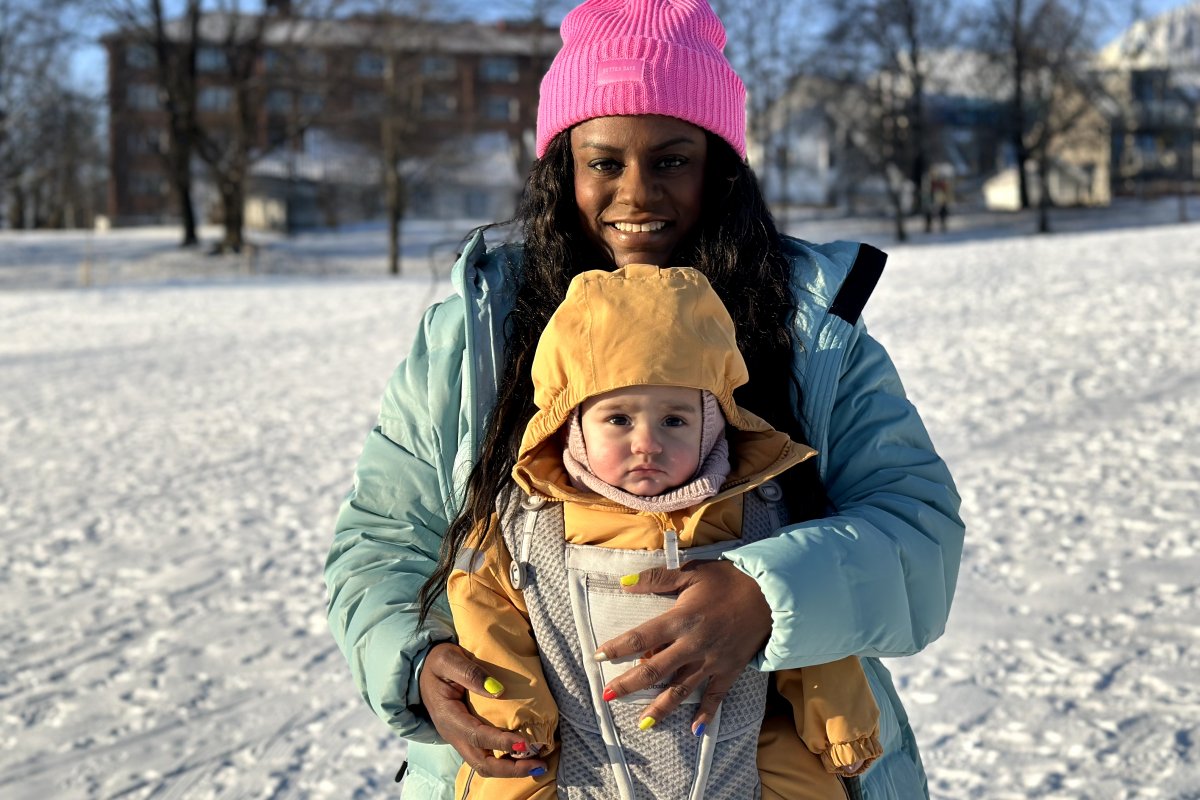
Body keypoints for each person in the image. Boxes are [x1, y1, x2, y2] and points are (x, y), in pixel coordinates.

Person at [324, 0, 964, 797]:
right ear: (564, 168)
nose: (636, 195)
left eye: (670, 160)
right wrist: (417, 664)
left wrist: (768, 599)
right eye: (604, 162)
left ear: (719, 166)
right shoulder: (477, 337)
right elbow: (383, 539)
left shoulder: (807, 327)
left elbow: (919, 535)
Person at [446, 264, 882, 799]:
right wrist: (515, 715)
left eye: (674, 420)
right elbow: (483, 605)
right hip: (578, 764)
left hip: (742, 761)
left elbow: (811, 617)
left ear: (713, 423)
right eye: (619, 419)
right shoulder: (527, 522)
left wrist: (839, 718)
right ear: (573, 422)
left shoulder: (761, 512)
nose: (647, 443)